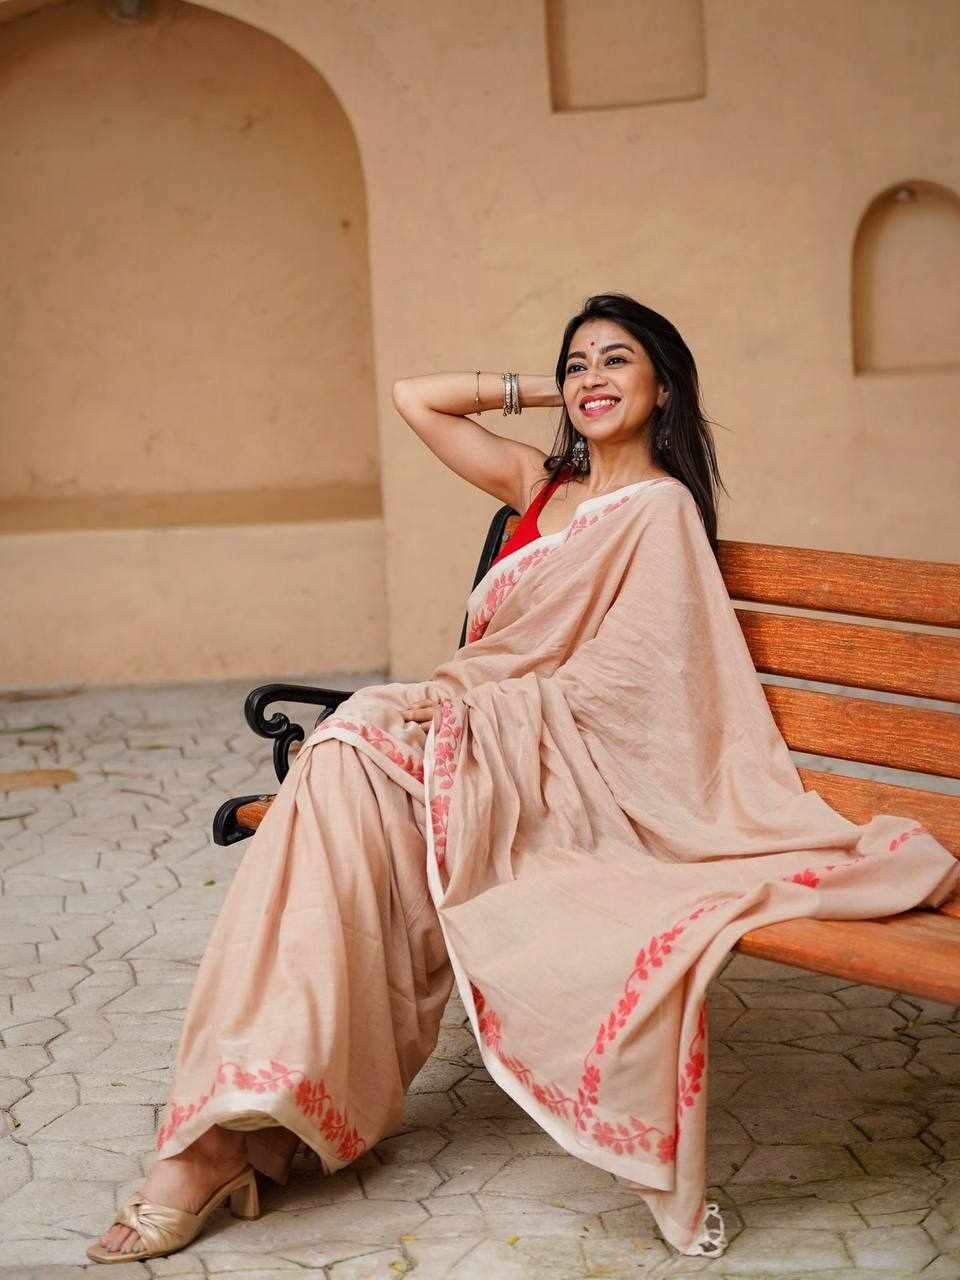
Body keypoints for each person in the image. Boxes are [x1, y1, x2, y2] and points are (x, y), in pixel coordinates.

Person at [88, 293, 959, 1263]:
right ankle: (237, 1121)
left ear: (666, 387)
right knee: (339, 774)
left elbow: (637, 694)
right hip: (462, 736)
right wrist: (560, 392)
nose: (591, 376)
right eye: (576, 362)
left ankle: (221, 1138)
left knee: (339, 765)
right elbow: (417, 399)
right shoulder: (542, 484)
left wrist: (484, 716)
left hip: (536, 764)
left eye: (616, 360)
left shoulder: (661, 511)